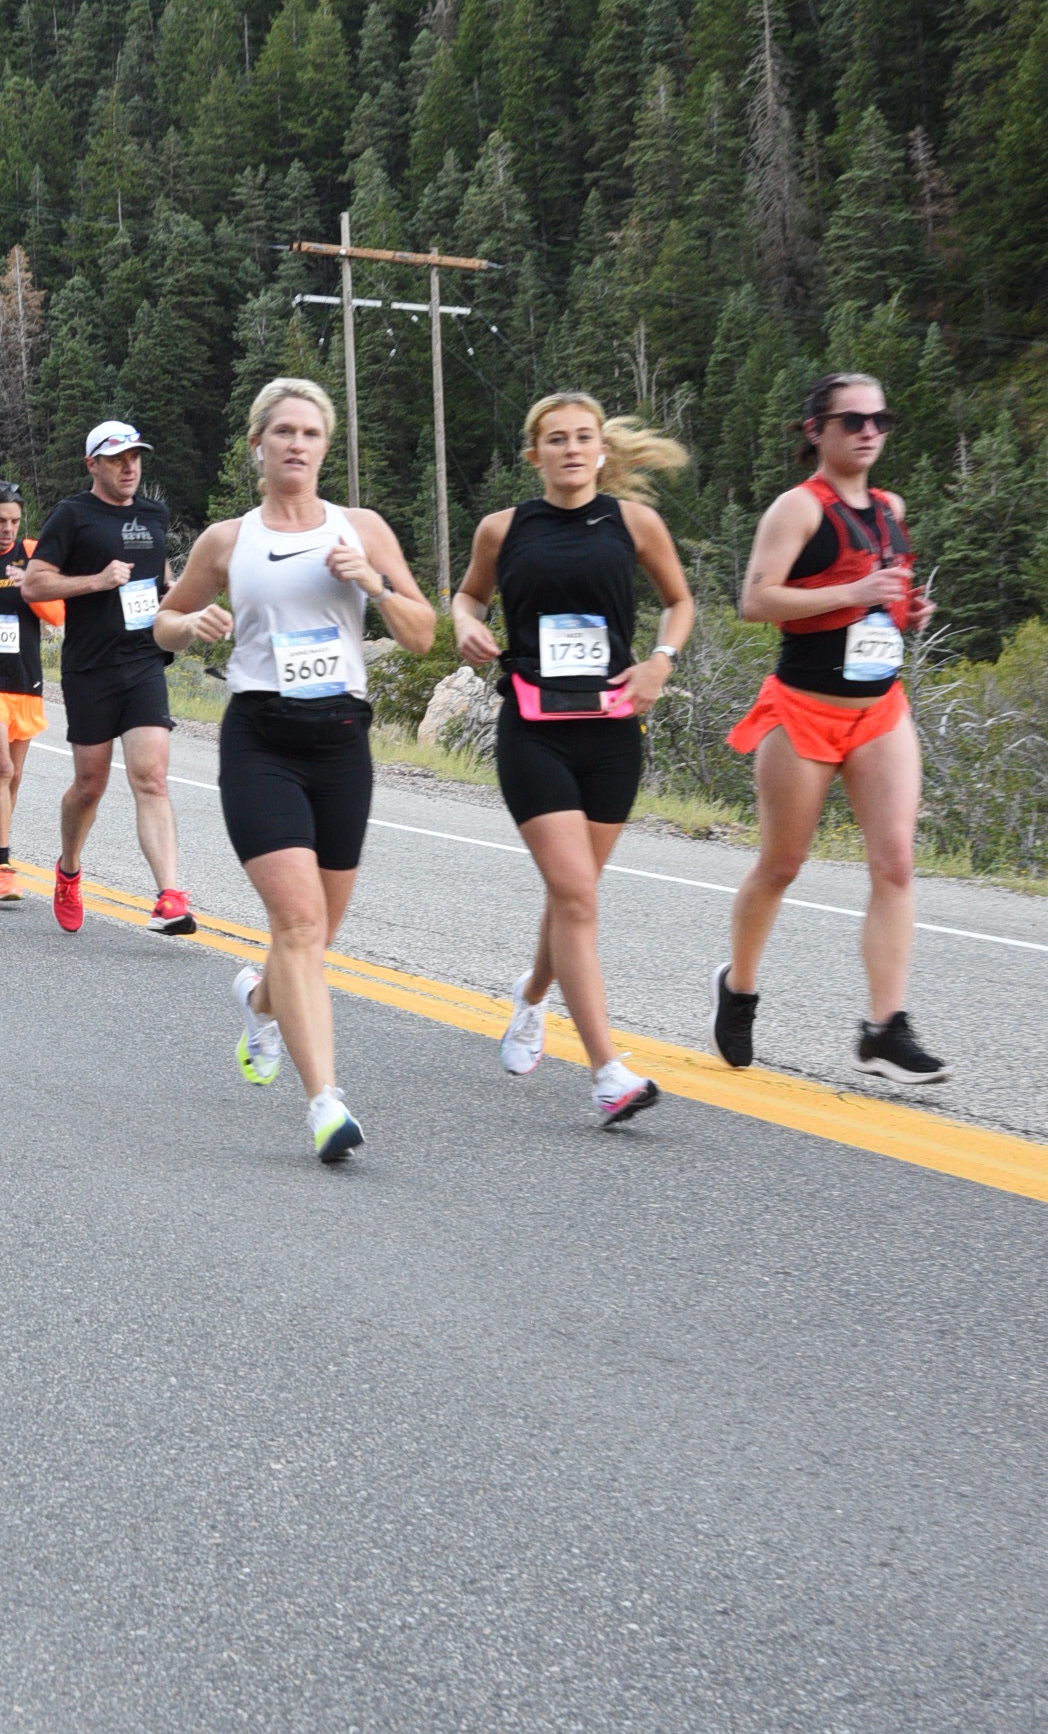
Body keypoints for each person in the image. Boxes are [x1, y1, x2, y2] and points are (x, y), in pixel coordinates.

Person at [156, 381, 436, 1165]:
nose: (297, 444)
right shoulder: (227, 540)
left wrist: (373, 583)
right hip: (262, 742)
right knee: (301, 926)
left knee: (312, 936)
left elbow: (422, 634)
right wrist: (194, 622)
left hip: (342, 741)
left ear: (325, 447)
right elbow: (162, 624)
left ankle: (258, 1001)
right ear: (258, 444)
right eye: (283, 431)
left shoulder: (361, 529)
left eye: (311, 433)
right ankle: (326, 1104)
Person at [453, 391, 695, 1130]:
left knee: (574, 895)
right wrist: (465, 625)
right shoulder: (504, 528)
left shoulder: (634, 523)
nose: (571, 449)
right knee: (577, 896)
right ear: (535, 454)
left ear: (601, 450)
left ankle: (531, 996)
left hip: (612, 731)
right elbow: (469, 597)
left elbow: (680, 602)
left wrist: (660, 661)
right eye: (555, 439)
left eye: (583, 437)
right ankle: (607, 1073)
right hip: (535, 729)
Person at [714, 371, 946, 1085]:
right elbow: (757, 601)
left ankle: (885, 1028)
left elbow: (881, 600)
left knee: (896, 862)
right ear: (816, 430)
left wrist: (906, 612)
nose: (870, 431)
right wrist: (855, 591)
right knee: (782, 865)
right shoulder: (797, 509)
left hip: (880, 710)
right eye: (853, 421)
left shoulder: (891, 508)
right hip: (803, 710)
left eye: (881, 420)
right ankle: (739, 988)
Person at [25, 421, 195, 936]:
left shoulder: (154, 514)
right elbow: (34, 585)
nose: (129, 467)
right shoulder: (72, 515)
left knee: (152, 777)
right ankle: (68, 869)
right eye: (118, 458)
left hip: (143, 661)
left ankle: (169, 895)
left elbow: (162, 580)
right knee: (89, 785)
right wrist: (98, 581)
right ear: (92, 464)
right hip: (90, 667)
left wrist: (180, 603)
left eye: (135, 457)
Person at [0, 479, 62, 902]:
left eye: (15, 521)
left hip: (24, 676)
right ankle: (2, 864)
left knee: (12, 776)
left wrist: (29, 586)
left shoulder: (33, 553)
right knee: (0, 768)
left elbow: (56, 615)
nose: (8, 529)